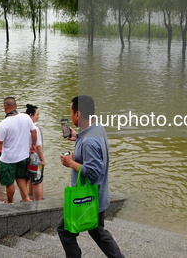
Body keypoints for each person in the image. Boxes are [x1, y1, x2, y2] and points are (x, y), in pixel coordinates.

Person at [59, 95, 125, 258]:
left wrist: (70, 163)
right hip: (99, 195)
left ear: (78, 114)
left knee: (65, 231)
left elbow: (94, 171)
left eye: (72, 111)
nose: (71, 115)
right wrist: (78, 137)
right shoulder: (97, 128)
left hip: (88, 198)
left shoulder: (89, 141)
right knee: (98, 232)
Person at [0, 97, 37, 203]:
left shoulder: (4, 123)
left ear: (4, 108)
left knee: (9, 182)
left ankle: (10, 202)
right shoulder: (26, 117)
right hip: (23, 156)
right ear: (16, 106)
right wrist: (33, 145)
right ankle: (26, 198)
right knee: (20, 178)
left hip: (8, 159)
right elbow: (33, 132)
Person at [25, 104, 45, 201]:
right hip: (34, 157)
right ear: (30, 115)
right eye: (37, 114)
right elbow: (38, 146)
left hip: (24, 156)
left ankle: (28, 196)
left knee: (26, 178)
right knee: (38, 179)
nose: (38, 116)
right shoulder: (35, 128)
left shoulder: (23, 126)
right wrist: (43, 160)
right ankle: (39, 199)